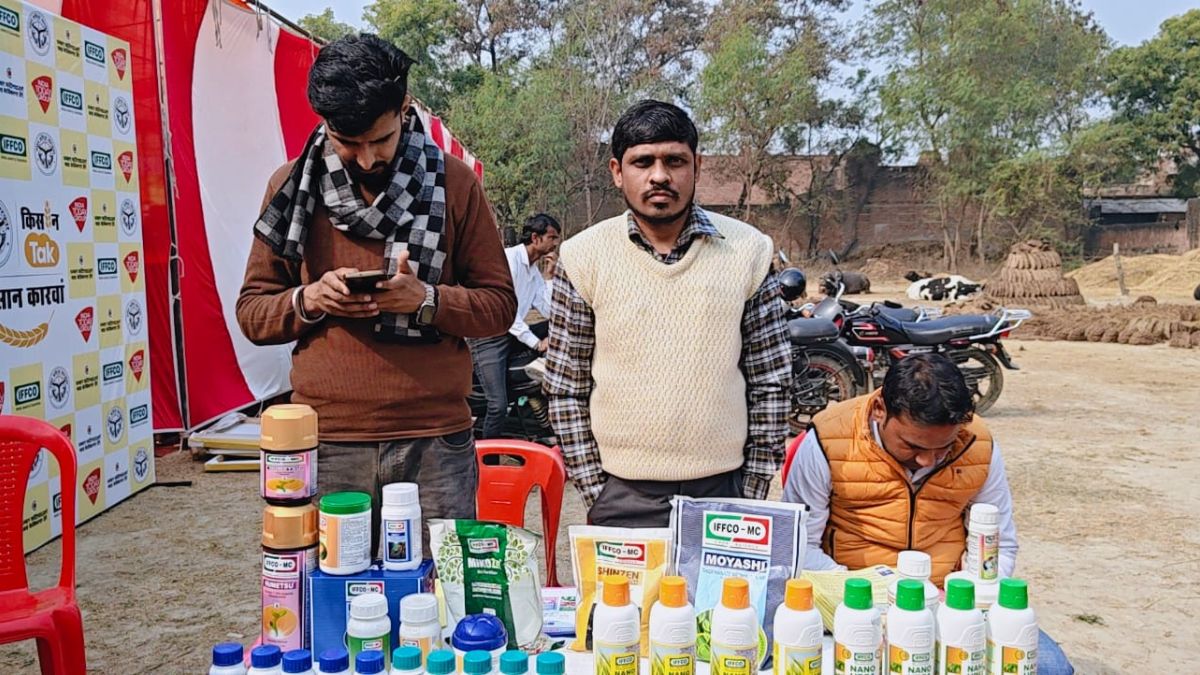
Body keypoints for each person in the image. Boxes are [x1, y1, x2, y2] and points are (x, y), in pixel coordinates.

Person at [236, 34, 516, 551]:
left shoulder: (454, 184)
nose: (366, 159)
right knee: (332, 589)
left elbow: (499, 307)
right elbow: (253, 312)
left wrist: (426, 300)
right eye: (348, 142)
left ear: (404, 107)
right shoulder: (291, 188)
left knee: (439, 588)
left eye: (381, 140)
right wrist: (311, 300)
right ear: (324, 123)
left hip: (435, 441)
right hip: (328, 441)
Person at [544, 99, 790, 528]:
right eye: (643, 162)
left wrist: (750, 490)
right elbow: (566, 387)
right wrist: (597, 491)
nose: (659, 175)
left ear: (697, 166)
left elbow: (771, 380)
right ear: (617, 171)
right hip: (623, 494)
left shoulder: (748, 251)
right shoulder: (583, 256)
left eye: (674, 161)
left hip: (724, 490)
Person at [783, 353, 1074, 674]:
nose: (928, 461)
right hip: (854, 602)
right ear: (880, 409)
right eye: (913, 446)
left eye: (943, 448)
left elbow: (999, 543)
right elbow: (799, 547)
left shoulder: (978, 445)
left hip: (951, 602)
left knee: (1051, 669)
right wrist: (863, 599)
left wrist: (965, 600)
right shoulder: (829, 440)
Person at [469, 213, 561, 439]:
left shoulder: (534, 270)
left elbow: (548, 310)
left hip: (511, 334)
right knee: (497, 405)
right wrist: (536, 343)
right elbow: (504, 311)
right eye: (552, 237)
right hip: (489, 337)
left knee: (557, 326)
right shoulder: (508, 260)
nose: (555, 243)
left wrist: (550, 276)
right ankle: (487, 454)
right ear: (535, 238)